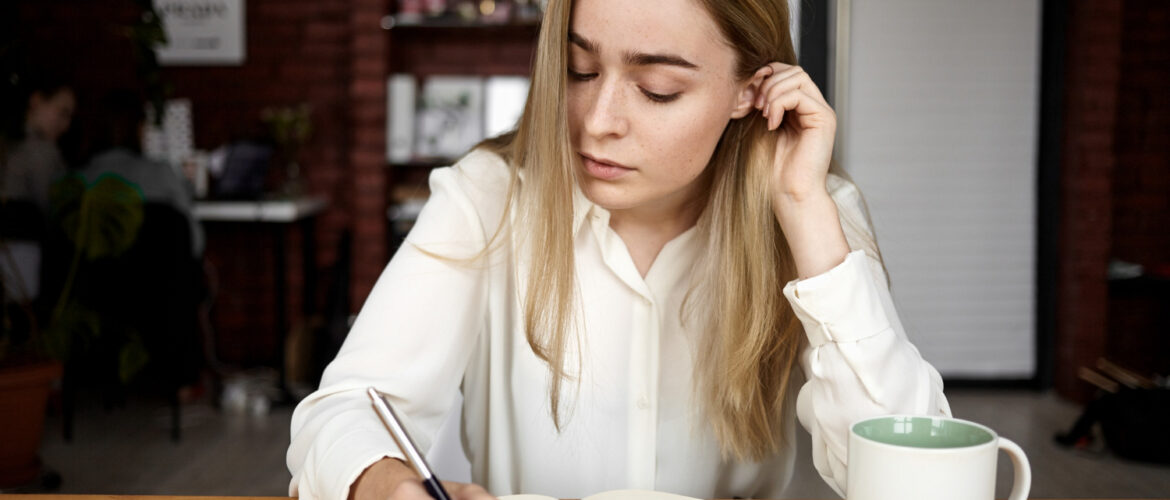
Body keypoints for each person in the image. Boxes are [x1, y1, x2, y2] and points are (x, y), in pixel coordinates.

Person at [288, 0, 951, 499]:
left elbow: (915, 482)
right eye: (579, 70)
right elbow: (344, 412)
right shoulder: (486, 197)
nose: (596, 121)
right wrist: (387, 485)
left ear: (752, 89)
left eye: (657, 88)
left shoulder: (810, 208)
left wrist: (807, 215)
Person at [79, 90, 203, 257]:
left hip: (93, 280)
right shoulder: (160, 174)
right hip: (159, 278)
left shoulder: (71, 183)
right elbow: (195, 242)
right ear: (139, 129)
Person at [1, 76, 74, 210]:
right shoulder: (41, 150)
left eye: (70, 117)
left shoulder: (10, 141)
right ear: (36, 101)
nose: (67, 125)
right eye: (63, 112)